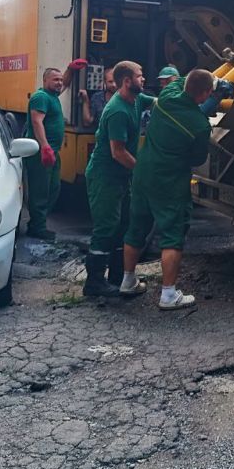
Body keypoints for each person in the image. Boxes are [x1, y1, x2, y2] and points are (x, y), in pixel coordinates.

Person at [120, 69, 214, 309]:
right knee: (172, 235)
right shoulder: (200, 125)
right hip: (170, 181)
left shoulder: (166, 97)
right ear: (206, 93)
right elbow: (197, 158)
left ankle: (128, 281)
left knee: (136, 228)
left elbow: (180, 81)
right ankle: (169, 295)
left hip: (143, 173)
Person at [82, 61, 156, 297]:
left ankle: (116, 276)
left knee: (123, 225)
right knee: (106, 227)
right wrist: (142, 171)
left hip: (121, 177)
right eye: (140, 76)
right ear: (127, 81)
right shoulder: (117, 111)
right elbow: (118, 152)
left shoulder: (136, 99)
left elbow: (157, 103)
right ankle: (94, 283)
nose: (143, 79)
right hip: (105, 177)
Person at [24, 60, 87, 240]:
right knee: (41, 191)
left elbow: (65, 84)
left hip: (52, 151)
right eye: (55, 80)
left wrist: (70, 70)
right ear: (45, 81)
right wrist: (44, 147)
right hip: (41, 153)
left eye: (60, 79)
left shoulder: (52, 96)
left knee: (54, 188)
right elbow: (37, 122)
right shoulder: (41, 97)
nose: (59, 83)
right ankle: (37, 227)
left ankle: (38, 223)